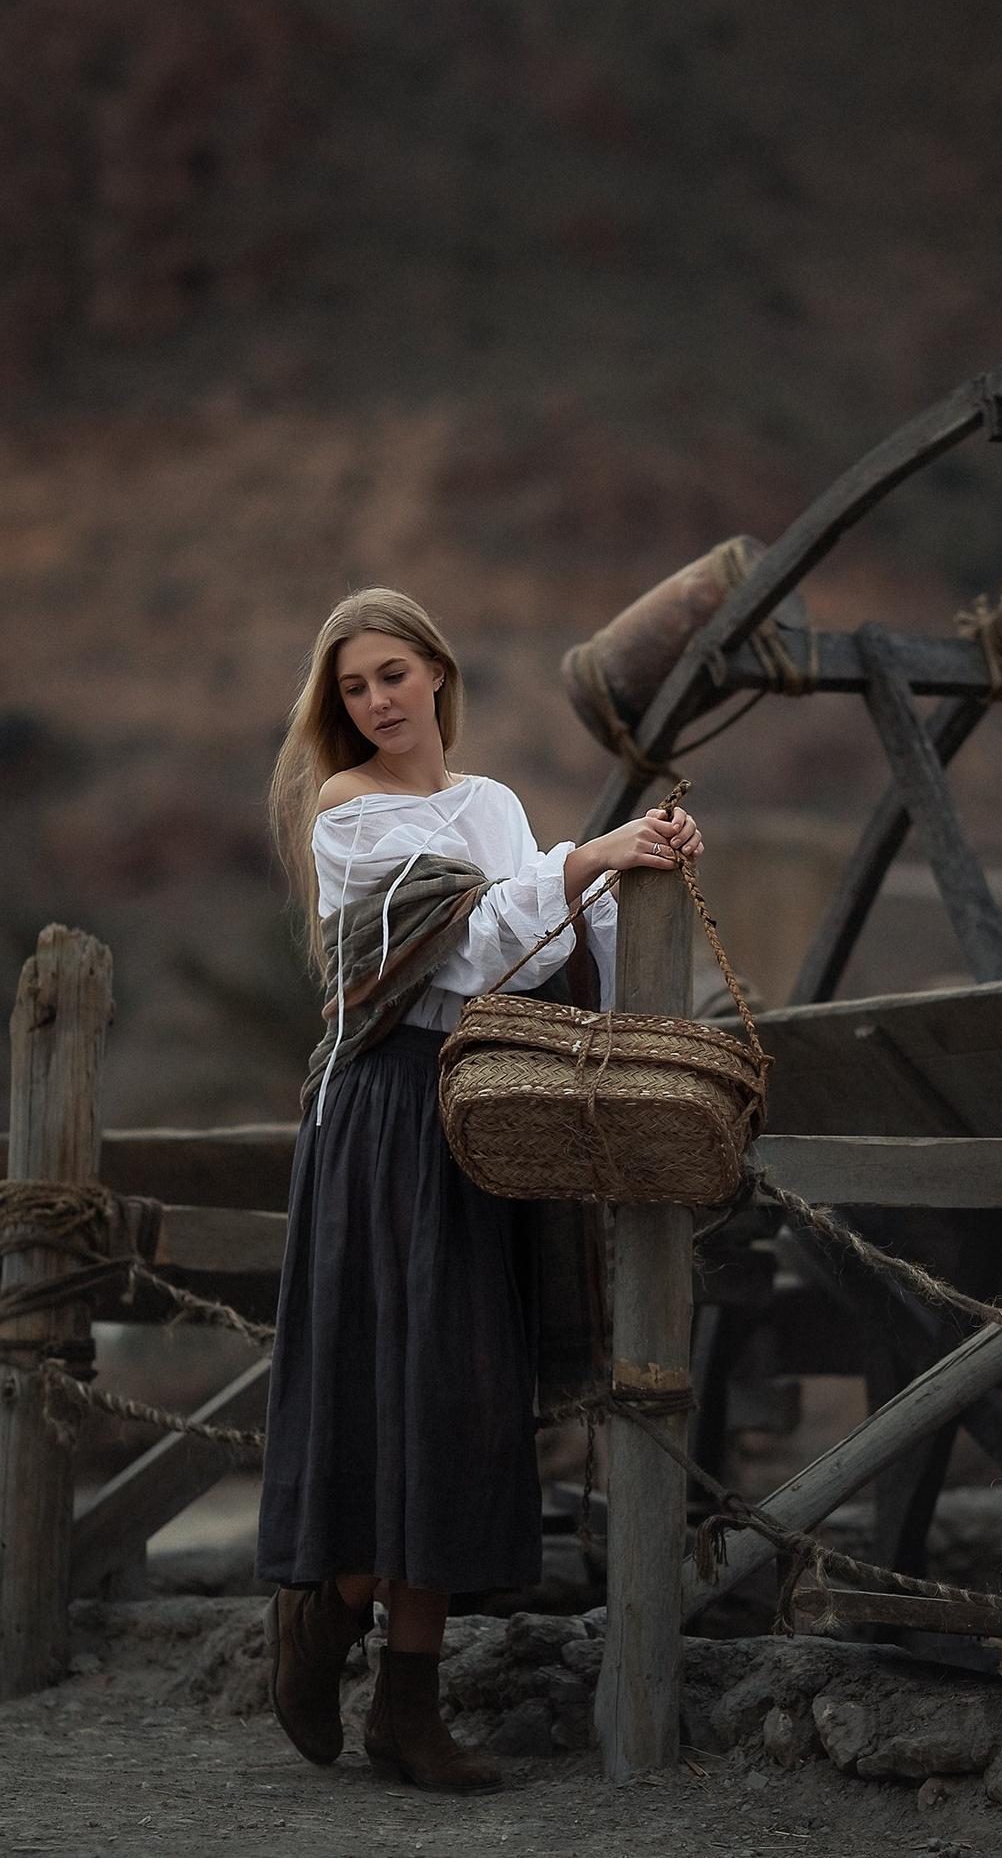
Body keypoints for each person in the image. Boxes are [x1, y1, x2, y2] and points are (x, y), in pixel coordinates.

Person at [257, 585, 701, 1791]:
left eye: (393, 674)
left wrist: (629, 866)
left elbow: (540, 949)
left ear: (439, 675)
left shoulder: (493, 805)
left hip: (483, 1111)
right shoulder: (345, 815)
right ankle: (328, 1610)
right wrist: (585, 861)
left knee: (460, 1400)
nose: (377, 701)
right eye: (353, 687)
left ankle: (401, 1699)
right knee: (394, 1391)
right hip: (387, 1110)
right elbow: (460, 944)